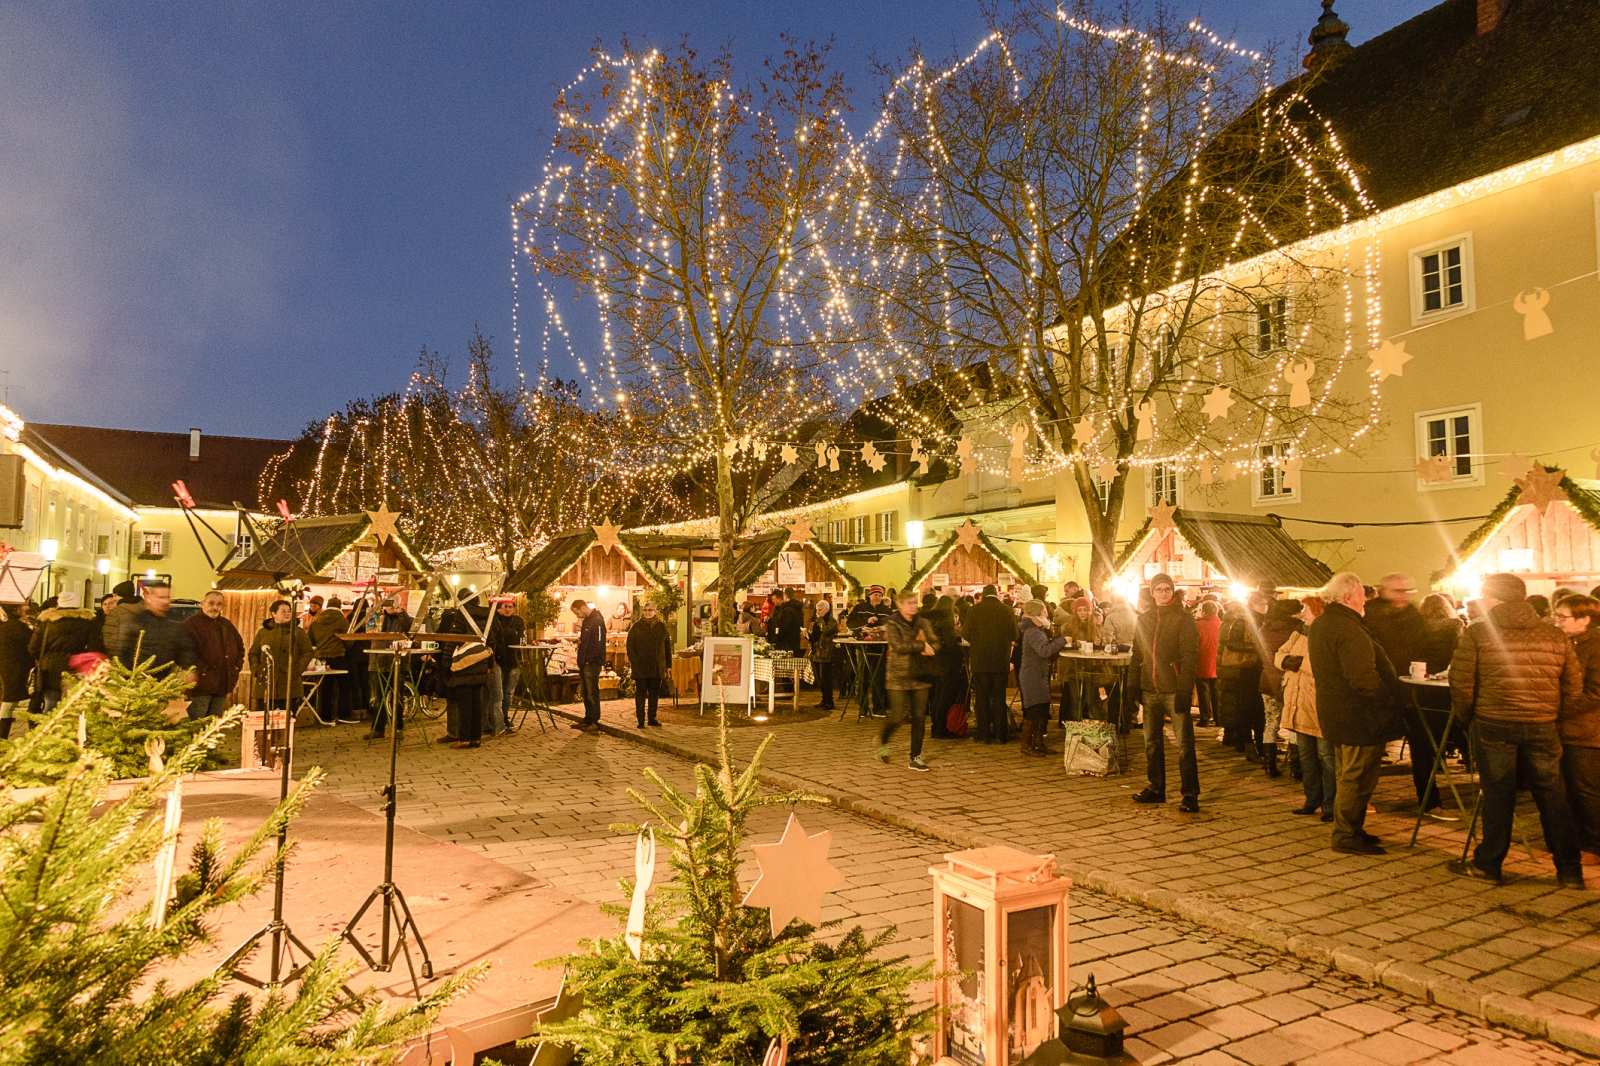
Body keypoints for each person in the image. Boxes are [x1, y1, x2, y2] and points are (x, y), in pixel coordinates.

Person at [1449, 572, 1584, 887]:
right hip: (1542, 724)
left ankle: (1489, 864)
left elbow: (1461, 682)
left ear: (1494, 597)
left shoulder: (1478, 633)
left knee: (1498, 795)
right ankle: (1569, 870)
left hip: (1494, 722)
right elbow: (1573, 685)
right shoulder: (1554, 635)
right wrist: (1552, 714)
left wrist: (1466, 717)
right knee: (1552, 796)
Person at [1309, 572, 1402, 856]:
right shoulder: (1347, 627)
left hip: (1338, 712)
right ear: (1348, 596)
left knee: (1347, 774)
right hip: (1358, 715)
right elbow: (1363, 678)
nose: (1365, 601)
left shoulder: (1324, 622)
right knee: (1356, 778)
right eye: (1362, 595)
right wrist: (1388, 700)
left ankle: (1352, 828)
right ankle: (1346, 834)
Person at [1365, 572, 1437, 813]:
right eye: (1398, 591)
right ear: (1384, 591)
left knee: (1423, 747)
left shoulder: (1415, 615)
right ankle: (1360, 799)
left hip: (1412, 691)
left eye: (1408, 591)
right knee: (1371, 749)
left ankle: (1429, 800)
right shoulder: (1371, 615)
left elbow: (1426, 648)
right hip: (1382, 690)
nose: (1404, 596)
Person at [1127, 574, 1200, 810]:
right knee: (1152, 742)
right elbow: (1138, 654)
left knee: (1184, 745)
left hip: (1173, 689)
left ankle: (1190, 793)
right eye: (1158, 589)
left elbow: (1190, 656)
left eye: (1167, 589)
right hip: (1150, 688)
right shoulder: (1144, 618)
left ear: (1172, 590)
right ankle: (1156, 788)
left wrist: (1184, 689)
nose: (1163, 593)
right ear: (1152, 593)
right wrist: (1133, 684)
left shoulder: (1183, 618)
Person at [1278, 596, 1334, 820]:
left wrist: (1299, 663)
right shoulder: (1298, 633)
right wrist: (1286, 661)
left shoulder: (1327, 635)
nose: (1302, 613)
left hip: (1318, 705)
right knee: (1306, 756)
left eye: (1306, 609)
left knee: (1327, 757)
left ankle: (1330, 804)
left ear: (1318, 611)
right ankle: (1312, 799)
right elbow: (1280, 653)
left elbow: (1325, 666)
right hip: (1299, 704)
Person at [1554, 594, 1600, 860]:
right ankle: (1578, 840)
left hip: (1588, 730)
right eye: (1556, 615)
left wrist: (1560, 709)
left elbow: (1595, 693)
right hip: (1569, 727)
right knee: (1569, 788)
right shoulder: (1569, 643)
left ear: (1585, 620)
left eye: (1563, 616)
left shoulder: (1595, 648)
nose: (1557, 621)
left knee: (1586, 789)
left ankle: (1594, 845)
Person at [877, 589, 940, 771]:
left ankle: (915, 757)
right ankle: (883, 740)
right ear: (900, 605)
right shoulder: (892, 623)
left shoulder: (923, 622)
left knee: (919, 717)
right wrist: (921, 645)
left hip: (920, 674)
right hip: (898, 675)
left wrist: (930, 647)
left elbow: (935, 643)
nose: (913, 606)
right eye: (909, 603)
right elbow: (898, 646)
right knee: (897, 716)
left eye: (915, 603)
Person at [28, 591, 102, 714]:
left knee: (51, 703)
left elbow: (33, 647)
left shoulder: (47, 622)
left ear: (59, 604)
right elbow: (94, 647)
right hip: (76, 666)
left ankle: (48, 725)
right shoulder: (88, 622)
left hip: (50, 667)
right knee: (73, 705)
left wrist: (44, 658)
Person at [964, 584, 1017, 744]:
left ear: (983, 595)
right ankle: (1001, 734)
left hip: (980, 660)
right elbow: (1014, 635)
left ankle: (983, 734)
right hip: (1000, 660)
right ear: (997, 595)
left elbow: (965, 633)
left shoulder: (974, 610)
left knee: (982, 697)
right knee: (999, 697)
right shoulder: (1007, 610)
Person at [1254, 598, 1301, 778]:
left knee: (1271, 722)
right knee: (1293, 722)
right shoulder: (1295, 630)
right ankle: (1296, 768)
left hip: (1268, 679)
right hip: (1289, 681)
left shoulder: (1264, 628)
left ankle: (1269, 765)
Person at [111, 581, 195, 680]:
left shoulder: (175, 621)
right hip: (137, 679)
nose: (165, 601)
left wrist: (188, 669)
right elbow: (122, 651)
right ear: (150, 598)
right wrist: (129, 675)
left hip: (164, 681)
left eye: (167, 597)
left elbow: (185, 649)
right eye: (161, 597)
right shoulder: (136, 621)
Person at [1217, 596, 1265, 758]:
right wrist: (1256, 647)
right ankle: (1246, 743)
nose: (1265, 606)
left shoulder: (1261, 621)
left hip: (1254, 669)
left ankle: (1253, 743)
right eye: (1262, 603)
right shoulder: (1241, 622)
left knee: (1253, 709)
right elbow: (1231, 644)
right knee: (1245, 708)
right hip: (1245, 669)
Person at [1018, 600, 1068, 757]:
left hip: (1038, 674)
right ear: (1038, 613)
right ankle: (1026, 745)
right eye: (1044, 610)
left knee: (1042, 708)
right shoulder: (1032, 631)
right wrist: (1062, 641)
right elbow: (1044, 651)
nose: (1046, 613)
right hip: (1032, 675)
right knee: (1034, 709)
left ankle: (1038, 743)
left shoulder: (1038, 630)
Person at [184, 590, 244, 719]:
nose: (215, 607)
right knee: (197, 723)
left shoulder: (226, 625)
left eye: (219, 604)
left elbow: (240, 647)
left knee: (215, 724)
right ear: (202, 604)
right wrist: (202, 671)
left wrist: (236, 667)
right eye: (211, 603)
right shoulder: (191, 624)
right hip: (200, 687)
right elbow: (186, 652)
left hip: (222, 685)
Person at [248, 600, 313, 711]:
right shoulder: (263, 632)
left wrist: (296, 670)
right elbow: (253, 653)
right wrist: (257, 670)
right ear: (273, 613)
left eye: (289, 611)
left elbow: (307, 652)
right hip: (265, 683)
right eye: (283, 611)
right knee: (263, 717)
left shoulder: (298, 632)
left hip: (289, 684)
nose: (287, 614)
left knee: (288, 718)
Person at [308, 594, 356, 724]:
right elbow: (348, 640)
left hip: (321, 658)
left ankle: (325, 717)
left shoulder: (316, 621)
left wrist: (320, 647)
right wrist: (343, 648)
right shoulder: (343, 621)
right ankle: (343, 715)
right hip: (338, 656)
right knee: (344, 686)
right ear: (339, 607)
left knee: (325, 688)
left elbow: (310, 640)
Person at [923, 593, 962, 737]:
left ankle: (935, 725)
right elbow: (950, 642)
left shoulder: (932, 619)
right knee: (945, 693)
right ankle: (940, 727)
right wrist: (959, 651)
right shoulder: (946, 620)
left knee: (937, 692)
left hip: (935, 659)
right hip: (946, 660)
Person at [626, 600, 670, 728]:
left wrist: (668, 665)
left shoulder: (661, 626)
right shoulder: (637, 627)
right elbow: (630, 646)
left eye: (650, 610)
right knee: (640, 694)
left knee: (654, 694)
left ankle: (652, 718)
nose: (647, 613)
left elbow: (667, 647)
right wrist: (635, 662)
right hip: (641, 666)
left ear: (655, 611)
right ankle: (640, 719)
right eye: (645, 610)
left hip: (656, 666)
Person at [490, 597, 527, 735]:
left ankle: (505, 717)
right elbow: (496, 635)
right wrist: (512, 632)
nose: (508, 609)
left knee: (509, 693)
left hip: (514, 661)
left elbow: (520, 636)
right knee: (498, 694)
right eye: (505, 606)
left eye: (511, 607)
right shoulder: (496, 620)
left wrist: (506, 633)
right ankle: (496, 721)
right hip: (500, 661)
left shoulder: (519, 620)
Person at [572, 597, 607, 731]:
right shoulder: (587, 621)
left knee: (592, 692)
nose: (577, 616)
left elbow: (599, 643)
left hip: (591, 663)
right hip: (584, 661)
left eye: (577, 613)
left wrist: (590, 659)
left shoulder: (597, 621)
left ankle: (594, 721)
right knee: (586, 693)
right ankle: (587, 718)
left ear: (583, 608)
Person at [0, 602, 32, 738]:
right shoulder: (16, 626)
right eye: (23, 606)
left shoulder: (6, 626)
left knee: (9, 699)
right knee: (10, 699)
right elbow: (32, 642)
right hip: (15, 667)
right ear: (16, 608)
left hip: (8, 666)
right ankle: (2, 736)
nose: (27, 608)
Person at [1418, 593, 1465, 673]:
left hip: (1423, 666)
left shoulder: (1420, 625)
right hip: (1447, 665)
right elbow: (1459, 646)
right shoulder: (1456, 624)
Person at [101, 580, 142, 664]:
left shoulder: (116, 613)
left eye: (115, 595)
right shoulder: (146, 609)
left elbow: (109, 639)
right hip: (144, 657)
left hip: (122, 658)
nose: (114, 598)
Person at [1194, 600, 1221, 729]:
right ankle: (1218, 717)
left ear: (1203, 610)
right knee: (1216, 691)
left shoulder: (1198, 625)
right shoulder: (1221, 624)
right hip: (1217, 662)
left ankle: (1205, 717)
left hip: (1202, 661)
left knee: (1203, 691)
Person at [810, 598, 840, 711]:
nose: (817, 612)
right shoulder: (819, 620)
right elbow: (815, 636)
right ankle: (824, 699)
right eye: (817, 610)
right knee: (819, 678)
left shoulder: (831, 620)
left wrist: (820, 621)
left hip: (827, 652)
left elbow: (827, 631)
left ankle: (829, 701)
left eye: (820, 610)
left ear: (826, 610)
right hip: (817, 652)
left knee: (826, 678)